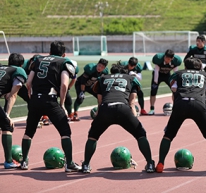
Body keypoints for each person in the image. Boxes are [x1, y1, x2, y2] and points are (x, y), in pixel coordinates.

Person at [155, 57, 206, 173]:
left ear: (186, 66)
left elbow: (173, 88)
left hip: (181, 104)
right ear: (199, 67)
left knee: (168, 136)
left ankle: (160, 164)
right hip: (199, 105)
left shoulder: (178, 73)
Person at [80, 62, 155, 174]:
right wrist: (134, 120)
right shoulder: (130, 78)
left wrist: (98, 119)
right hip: (122, 109)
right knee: (140, 134)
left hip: (106, 108)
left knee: (92, 136)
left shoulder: (103, 78)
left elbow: (100, 101)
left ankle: (86, 164)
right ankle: (149, 163)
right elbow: (132, 103)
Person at [20, 41, 81, 172]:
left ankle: (24, 161)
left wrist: (32, 98)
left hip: (35, 99)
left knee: (29, 132)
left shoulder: (37, 60)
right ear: (64, 54)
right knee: (65, 132)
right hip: (50, 99)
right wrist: (62, 104)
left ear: (49, 52)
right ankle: (69, 163)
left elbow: (29, 82)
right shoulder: (64, 62)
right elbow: (64, 85)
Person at [0, 53, 27, 169]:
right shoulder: (19, 71)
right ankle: (9, 161)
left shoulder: (2, 68)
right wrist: (7, 115)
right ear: (21, 64)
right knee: (7, 126)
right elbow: (13, 95)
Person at [149, 49, 182, 115]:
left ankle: (176, 108)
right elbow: (156, 71)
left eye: (168, 59)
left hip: (168, 75)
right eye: (166, 58)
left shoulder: (176, 61)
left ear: (172, 58)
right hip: (158, 75)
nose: (166, 60)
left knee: (175, 91)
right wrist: (155, 82)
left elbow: (176, 73)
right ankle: (152, 109)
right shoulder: (159, 59)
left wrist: (175, 82)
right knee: (153, 91)